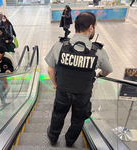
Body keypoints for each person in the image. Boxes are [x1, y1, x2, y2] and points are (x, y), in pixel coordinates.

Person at [45, 12, 113, 147]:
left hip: (63, 91)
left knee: (58, 115)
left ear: (76, 26)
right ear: (91, 28)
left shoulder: (61, 46)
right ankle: (70, 141)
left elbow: (50, 70)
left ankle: (53, 137)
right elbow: (107, 70)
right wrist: (100, 74)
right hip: (83, 94)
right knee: (78, 120)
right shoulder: (97, 51)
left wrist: (56, 84)